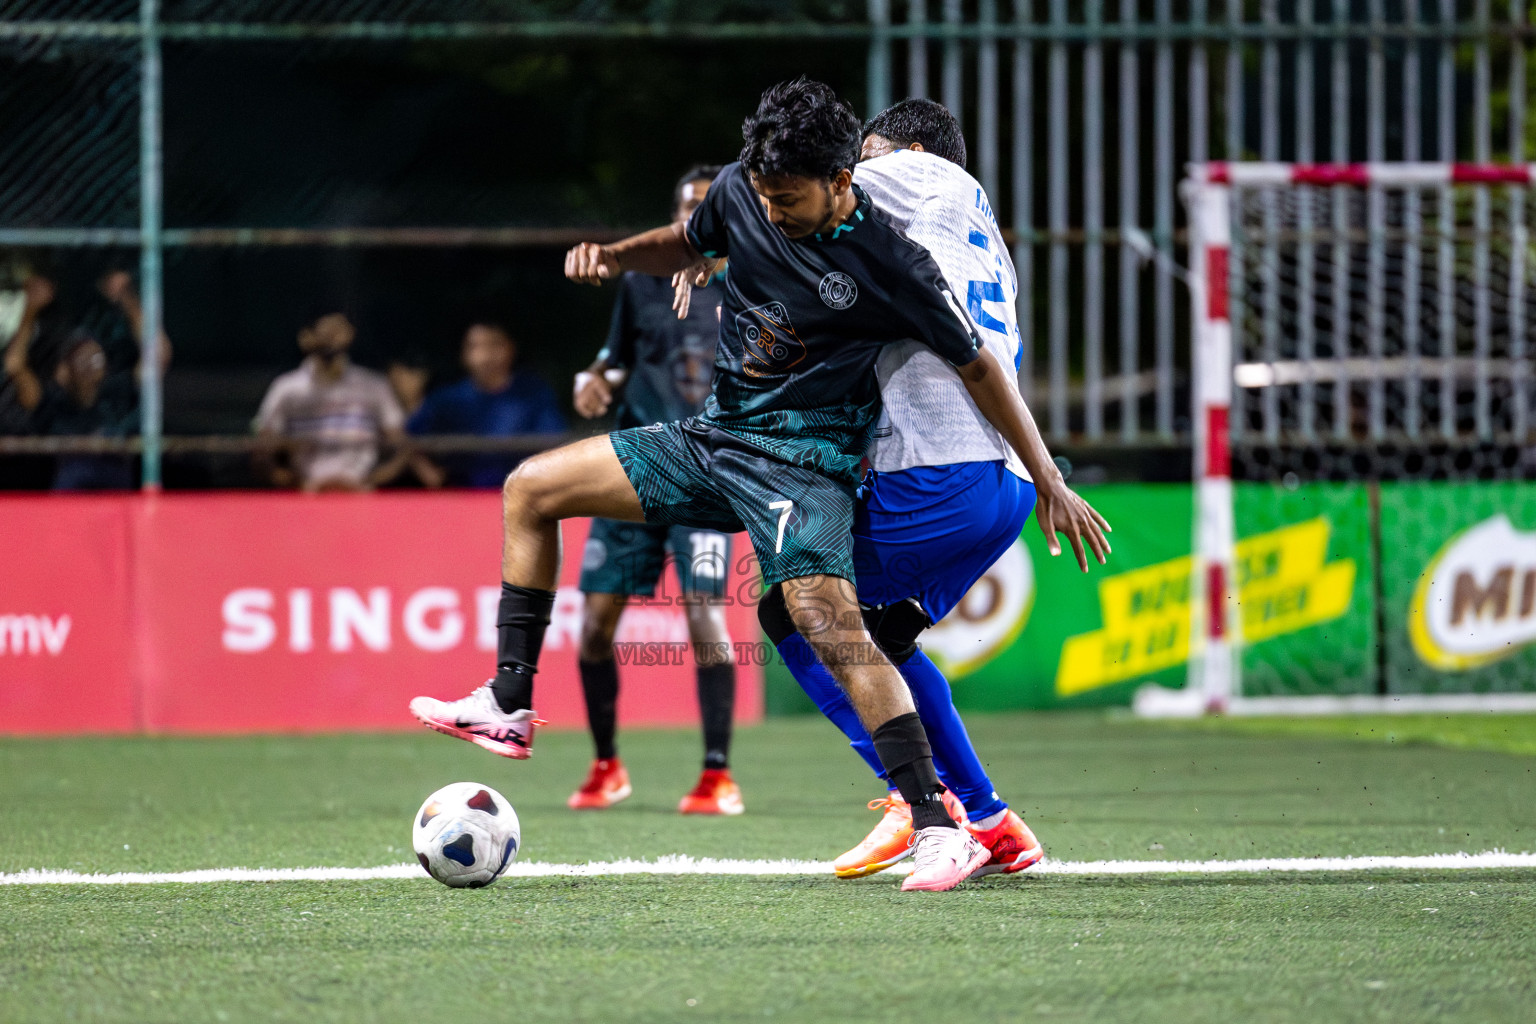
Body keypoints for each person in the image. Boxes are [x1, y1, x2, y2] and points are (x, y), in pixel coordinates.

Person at [409, 78, 1109, 893]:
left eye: (794, 194)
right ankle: (508, 700)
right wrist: (638, 255)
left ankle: (932, 814)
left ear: (857, 170)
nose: (773, 211)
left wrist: (1055, 471)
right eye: (764, 194)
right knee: (532, 487)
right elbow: (697, 229)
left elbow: (978, 364)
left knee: (819, 618)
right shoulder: (760, 188)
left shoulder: (897, 222)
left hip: (846, 462)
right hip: (731, 439)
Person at [756, 97, 1075, 880]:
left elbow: (799, 185)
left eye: (860, 156)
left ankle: (924, 800)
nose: (850, 174)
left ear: (893, 148)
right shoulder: (975, 229)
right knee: (881, 638)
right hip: (998, 484)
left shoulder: (908, 173)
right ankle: (993, 820)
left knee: (796, 612)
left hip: (939, 473)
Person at [566, 165, 742, 816]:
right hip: (633, 469)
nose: (698, 220)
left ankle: (717, 775)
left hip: (706, 470)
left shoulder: (755, 283)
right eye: (687, 209)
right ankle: (607, 764)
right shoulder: (642, 281)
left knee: (705, 614)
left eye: (709, 208)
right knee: (592, 627)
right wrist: (596, 378)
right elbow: (615, 358)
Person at [254, 310, 412, 492]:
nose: (332, 338)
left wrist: (374, 480)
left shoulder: (373, 386)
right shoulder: (287, 388)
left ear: (350, 334)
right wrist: (294, 483)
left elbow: (402, 445)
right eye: (326, 331)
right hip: (307, 496)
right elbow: (262, 449)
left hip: (361, 495)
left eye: (338, 330)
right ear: (306, 337)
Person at [407, 322, 565, 488]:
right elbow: (407, 439)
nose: (485, 355)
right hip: (459, 497)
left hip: (521, 494)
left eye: (493, 345)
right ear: (464, 353)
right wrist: (429, 473)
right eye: (476, 347)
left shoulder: (534, 394)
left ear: (510, 348)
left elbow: (554, 445)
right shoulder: (446, 399)